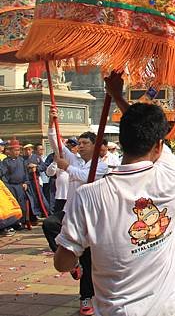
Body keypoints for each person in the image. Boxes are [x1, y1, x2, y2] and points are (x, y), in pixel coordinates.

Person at [53, 73, 175, 316]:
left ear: (121, 142)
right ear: (159, 146)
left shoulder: (88, 197)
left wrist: (80, 255)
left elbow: (62, 263)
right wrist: (117, 95)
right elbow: (147, 133)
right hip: (174, 307)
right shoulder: (170, 175)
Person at [44, 111, 109, 316]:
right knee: (49, 224)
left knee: (89, 260)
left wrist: (67, 167)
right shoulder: (74, 160)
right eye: (78, 143)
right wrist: (52, 120)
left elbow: (86, 177)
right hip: (68, 213)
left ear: (95, 146)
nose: (79, 146)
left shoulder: (102, 166)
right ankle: (72, 262)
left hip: (90, 218)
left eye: (84, 143)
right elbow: (57, 144)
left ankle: (86, 298)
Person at [0, 139, 30, 232]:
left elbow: (26, 173)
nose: (17, 152)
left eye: (18, 150)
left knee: (22, 205)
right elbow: (2, 173)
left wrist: (26, 182)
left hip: (21, 186)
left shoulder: (22, 160)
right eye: (15, 150)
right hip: (10, 186)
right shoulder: (6, 161)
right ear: (10, 151)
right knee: (14, 205)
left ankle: (22, 222)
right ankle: (14, 223)